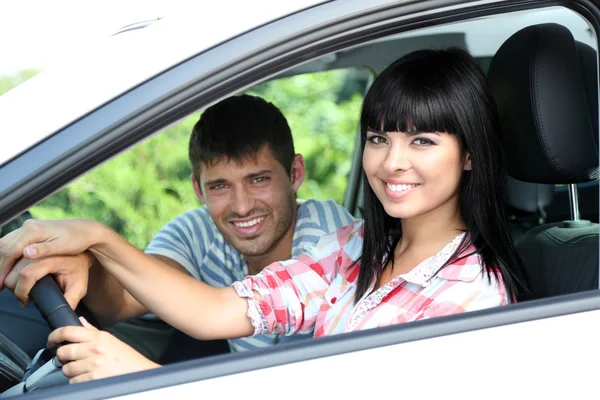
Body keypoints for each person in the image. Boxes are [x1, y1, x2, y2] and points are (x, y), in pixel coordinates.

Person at [0, 48, 529, 384]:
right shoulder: (355, 251)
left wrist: (143, 377)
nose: (392, 161)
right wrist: (94, 237)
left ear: (469, 154)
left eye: (421, 141)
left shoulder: (471, 296)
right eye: (377, 138)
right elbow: (215, 311)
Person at [0, 95, 356, 367]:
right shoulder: (198, 231)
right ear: (198, 189)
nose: (242, 206)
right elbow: (124, 299)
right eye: (219, 186)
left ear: (294, 174)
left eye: (258, 180)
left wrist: (140, 375)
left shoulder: (330, 242)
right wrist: (89, 264)